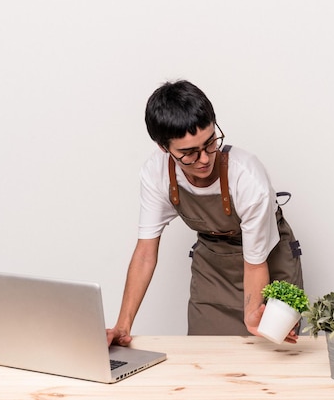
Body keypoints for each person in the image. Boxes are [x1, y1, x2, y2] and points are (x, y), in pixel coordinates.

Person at [107, 80, 304, 346]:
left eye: (210, 143)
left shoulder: (247, 177)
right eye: (188, 153)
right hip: (213, 268)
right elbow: (144, 254)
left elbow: (255, 262)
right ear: (163, 148)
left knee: (268, 360)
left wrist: (251, 316)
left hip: (268, 262)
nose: (204, 159)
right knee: (205, 357)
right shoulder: (156, 173)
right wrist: (123, 325)